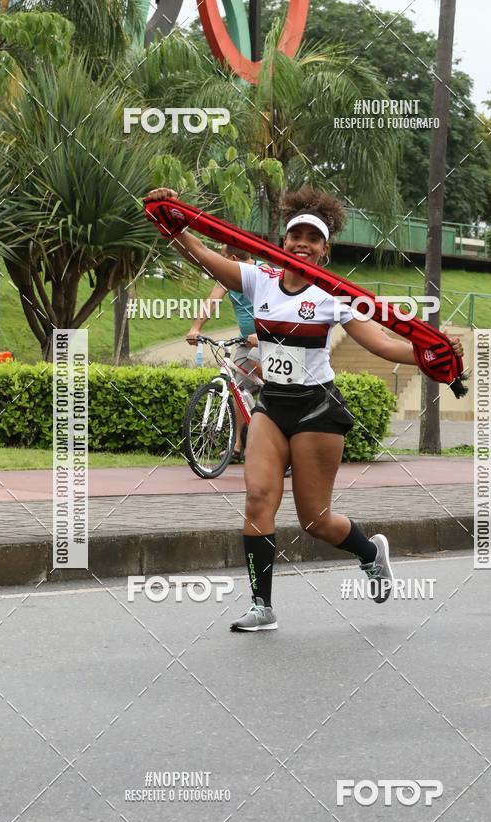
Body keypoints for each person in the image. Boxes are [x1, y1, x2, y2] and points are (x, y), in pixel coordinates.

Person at [145, 186, 463, 632]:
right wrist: (170, 215)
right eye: (295, 234)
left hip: (317, 411)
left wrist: (431, 355)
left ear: (324, 250)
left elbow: (384, 345)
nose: (301, 243)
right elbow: (199, 253)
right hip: (272, 408)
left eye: (312, 239)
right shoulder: (259, 280)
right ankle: (262, 606)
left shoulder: (336, 297)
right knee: (257, 500)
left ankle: (370, 553)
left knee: (315, 520)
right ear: (283, 243)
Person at [186, 244, 262, 461]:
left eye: (223, 256)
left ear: (234, 257)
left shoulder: (262, 273)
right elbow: (211, 302)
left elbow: (275, 306)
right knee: (237, 388)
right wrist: (196, 328)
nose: (219, 260)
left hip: (268, 340)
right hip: (245, 342)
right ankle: (237, 446)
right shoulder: (227, 277)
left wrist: (261, 332)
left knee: (273, 384)